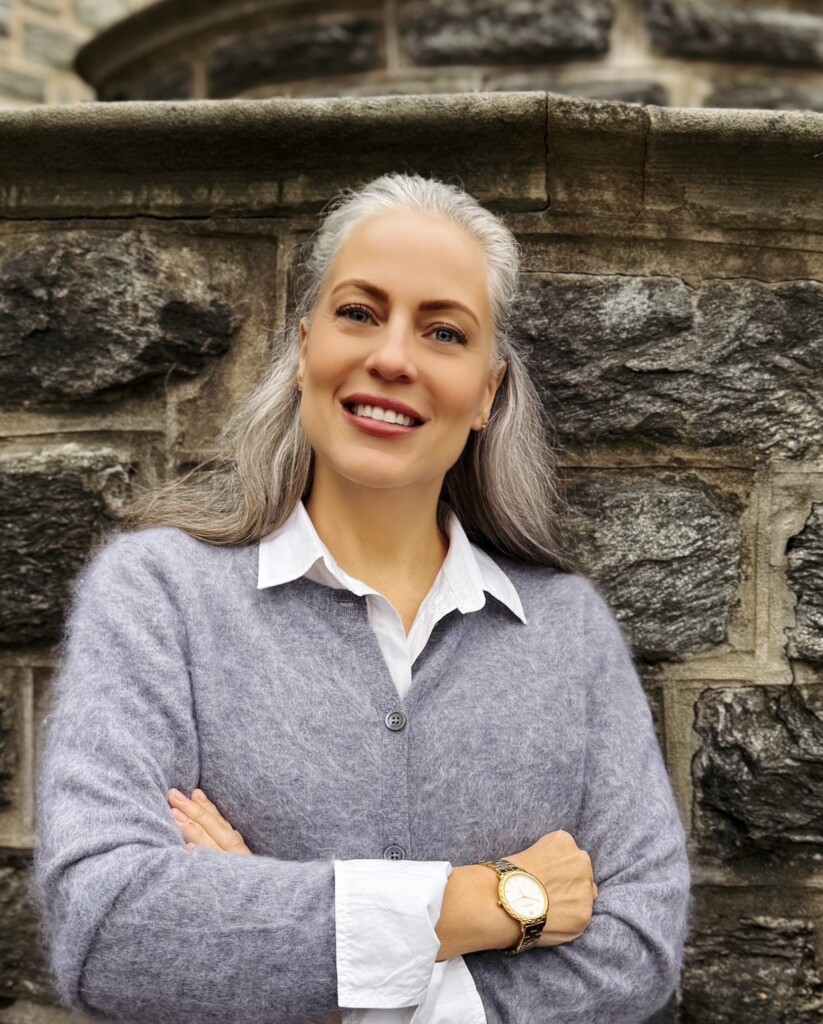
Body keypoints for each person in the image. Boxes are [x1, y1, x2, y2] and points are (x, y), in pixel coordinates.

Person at [32, 172, 691, 1024]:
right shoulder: (159, 594)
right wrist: (485, 907)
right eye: (359, 313)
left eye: (444, 331)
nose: (393, 357)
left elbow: (639, 946)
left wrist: (270, 936)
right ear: (306, 344)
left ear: (487, 392)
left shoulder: (568, 630)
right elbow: (109, 927)